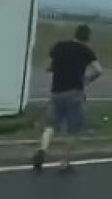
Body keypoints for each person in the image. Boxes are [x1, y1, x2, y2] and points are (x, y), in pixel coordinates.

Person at [32, 24, 102, 173]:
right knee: (72, 130)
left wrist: (55, 69)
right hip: (74, 92)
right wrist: (87, 79)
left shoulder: (59, 46)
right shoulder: (86, 51)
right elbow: (98, 70)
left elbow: (48, 66)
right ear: (87, 37)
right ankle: (64, 162)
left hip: (56, 91)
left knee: (50, 125)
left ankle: (42, 149)